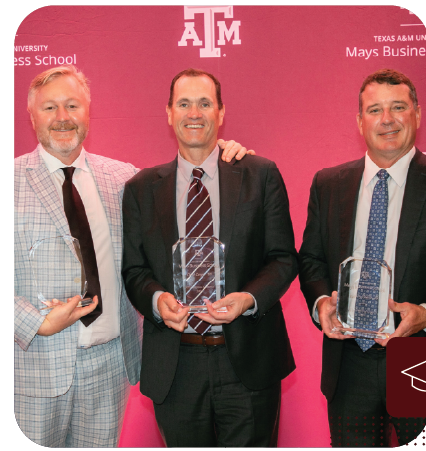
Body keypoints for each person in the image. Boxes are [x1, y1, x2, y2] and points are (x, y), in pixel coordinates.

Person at [14, 65, 253, 448]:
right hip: (35, 369)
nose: (63, 118)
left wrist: (225, 153)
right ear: (31, 115)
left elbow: (189, 178)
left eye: (73, 105)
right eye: (50, 108)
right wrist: (34, 322)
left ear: (88, 112)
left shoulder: (123, 179)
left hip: (109, 368)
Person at [121, 68, 297, 447]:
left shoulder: (260, 174)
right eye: (184, 103)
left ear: (220, 112)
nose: (194, 113)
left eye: (205, 103)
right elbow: (134, 269)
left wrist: (248, 299)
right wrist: (157, 300)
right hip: (176, 364)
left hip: (247, 360)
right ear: (169, 113)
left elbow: (283, 258)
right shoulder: (140, 189)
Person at [298, 68, 426, 447]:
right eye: (374, 110)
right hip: (348, 363)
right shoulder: (328, 183)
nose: (386, 120)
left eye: (398, 107)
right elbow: (311, 260)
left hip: (425, 361)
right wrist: (322, 302)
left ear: (417, 114)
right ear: (359, 121)